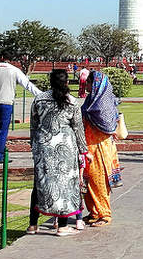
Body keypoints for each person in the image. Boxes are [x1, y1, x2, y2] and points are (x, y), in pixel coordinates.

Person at [27, 68, 87, 236]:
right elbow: (78, 128)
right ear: (66, 82)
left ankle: (32, 224)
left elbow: (34, 125)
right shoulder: (72, 102)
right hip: (65, 147)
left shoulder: (39, 99)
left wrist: (34, 145)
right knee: (65, 185)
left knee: (39, 184)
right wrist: (84, 150)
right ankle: (62, 226)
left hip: (43, 146)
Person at [0, 58, 44, 164]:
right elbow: (27, 85)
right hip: (6, 103)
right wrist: (42, 95)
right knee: (2, 132)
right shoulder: (14, 70)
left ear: (0, 58)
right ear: (10, 60)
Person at [80, 69, 121, 227]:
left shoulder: (101, 104)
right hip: (89, 146)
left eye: (88, 83)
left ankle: (104, 214)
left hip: (101, 148)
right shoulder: (91, 100)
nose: (86, 85)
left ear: (95, 84)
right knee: (87, 180)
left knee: (98, 181)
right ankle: (94, 212)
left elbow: (108, 125)